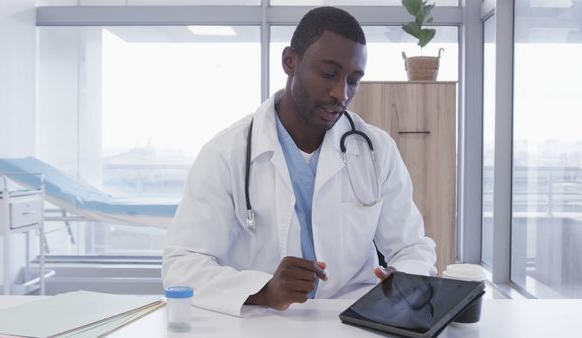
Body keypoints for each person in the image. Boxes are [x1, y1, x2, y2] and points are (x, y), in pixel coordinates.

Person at [162, 6, 436, 317]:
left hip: (353, 318)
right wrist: (264, 290)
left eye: (353, 80)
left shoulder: (377, 150)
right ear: (290, 61)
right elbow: (181, 264)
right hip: (262, 322)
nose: (340, 93)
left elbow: (412, 247)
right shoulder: (226, 153)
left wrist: (404, 281)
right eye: (329, 74)